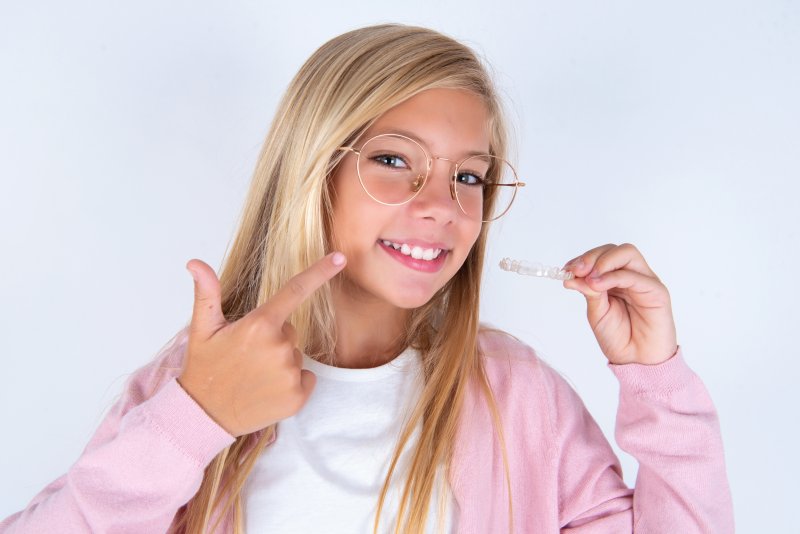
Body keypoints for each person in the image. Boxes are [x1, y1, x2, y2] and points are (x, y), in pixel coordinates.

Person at [0, 24, 733, 533]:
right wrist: (197, 416)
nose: (443, 207)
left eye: (470, 176)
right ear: (313, 167)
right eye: (393, 160)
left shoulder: (517, 395)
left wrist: (654, 380)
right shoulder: (201, 381)